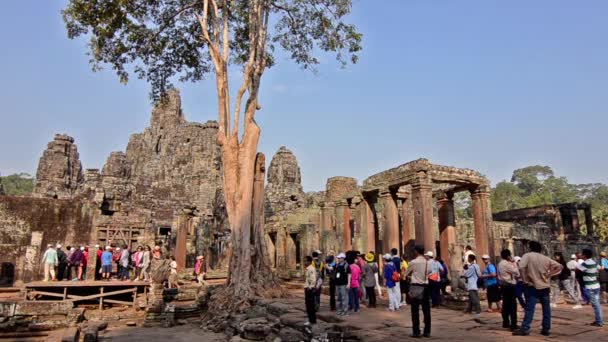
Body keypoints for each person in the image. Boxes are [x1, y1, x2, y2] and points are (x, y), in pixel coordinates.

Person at [513, 241, 563, 337]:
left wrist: (525, 280)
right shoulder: (545, 258)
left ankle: (525, 328)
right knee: (546, 309)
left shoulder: (527, 256)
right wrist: (550, 274)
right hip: (545, 286)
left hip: (532, 286)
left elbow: (521, 268)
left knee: (529, 309)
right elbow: (560, 266)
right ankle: (546, 329)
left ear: (530, 247)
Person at [406, 246, 431, 338]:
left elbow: (407, 273)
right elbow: (429, 272)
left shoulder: (413, 262)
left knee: (415, 311)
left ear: (416, 251)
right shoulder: (428, 262)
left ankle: (416, 331)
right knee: (426, 310)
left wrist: (414, 275)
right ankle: (427, 331)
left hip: (416, 286)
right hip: (425, 287)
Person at [577, 249, 604, 327]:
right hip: (596, 285)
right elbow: (600, 268)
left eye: (582, 254)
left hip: (590, 287)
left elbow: (577, 269)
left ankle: (599, 321)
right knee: (597, 303)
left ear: (584, 255)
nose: (581, 255)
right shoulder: (595, 262)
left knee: (596, 305)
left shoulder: (584, 264)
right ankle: (598, 320)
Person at [498, 249, 519, 330]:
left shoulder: (500, 263)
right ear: (508, 256)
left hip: (504, 285)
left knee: (506, 305)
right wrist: (514, 263)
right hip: (510, 285)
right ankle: (513, 324)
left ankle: (506, 322)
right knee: (512, 306)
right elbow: (517, 272)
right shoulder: (507, 264)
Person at [462, 254, 482, 321]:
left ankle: (478, 311)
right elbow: (479, 274)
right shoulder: (477, 266)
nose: (468, 259)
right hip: (475, 283)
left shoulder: (471, 267)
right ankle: (468, 309)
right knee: (471, 298)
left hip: (472, 284)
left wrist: (465, 269)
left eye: (468, 258)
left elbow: (466, 275)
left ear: (470, 259)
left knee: (474, 299)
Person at [304, 255, 317, 326]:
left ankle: (312, 320)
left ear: (309, 261)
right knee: (308, 305)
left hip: (310, 289)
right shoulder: (308, 268)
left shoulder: (311, 269)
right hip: (307, 287)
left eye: (306, 261)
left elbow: (313, 279)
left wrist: (310, 287)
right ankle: (310, 319)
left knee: (310, 305)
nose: (304, 262)